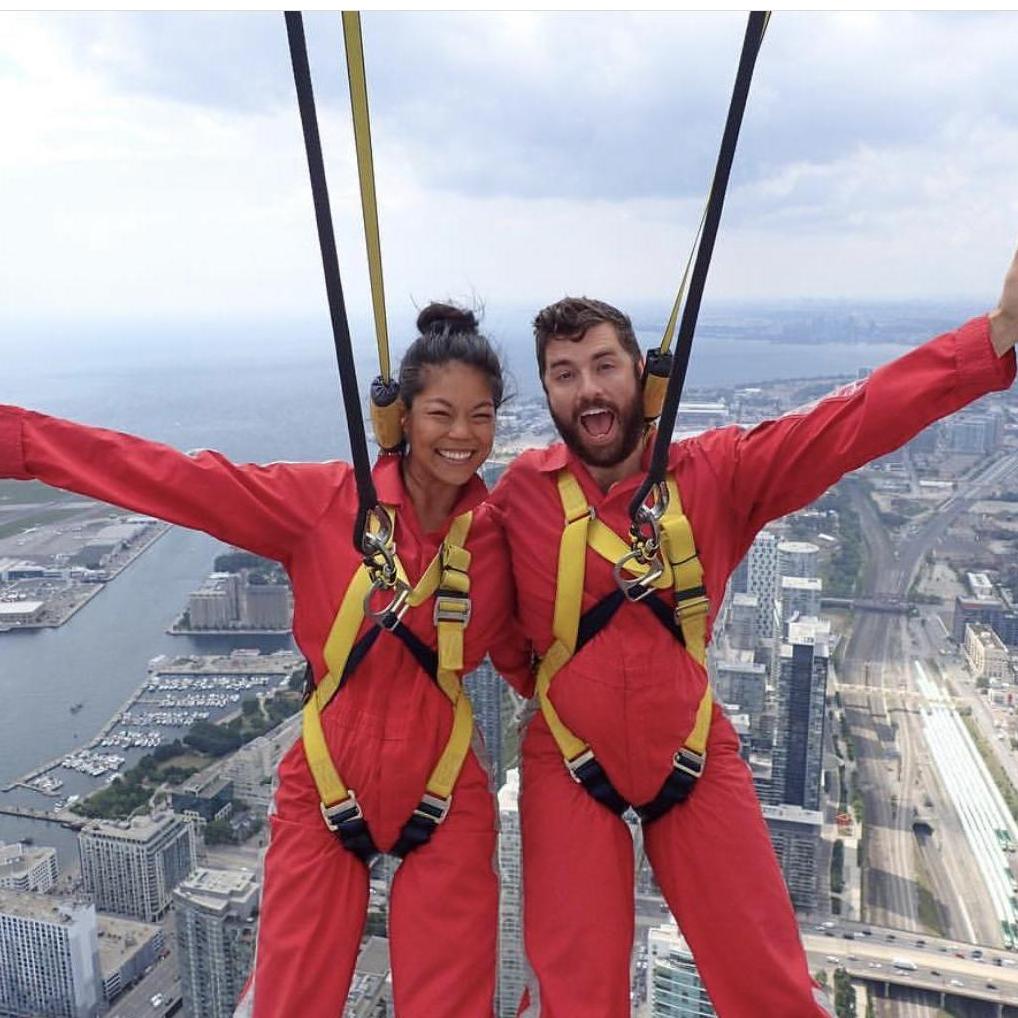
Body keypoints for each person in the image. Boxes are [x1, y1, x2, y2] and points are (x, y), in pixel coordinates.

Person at [491, 249, 1018, 1017]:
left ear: (643, 374)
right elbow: (478, 602)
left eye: (604, 365)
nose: (589, 389)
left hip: (691, 752)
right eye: (564, 374)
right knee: (574, 997)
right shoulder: (521, 499)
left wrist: (994, 336)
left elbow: (851, 422)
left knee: (770, 990)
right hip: (569, 763)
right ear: (548, 393)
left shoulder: (715, 474)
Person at [0, 304, 530, 1018]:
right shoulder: (325, 504)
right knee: (289, 1003)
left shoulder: (502, 538)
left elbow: (536, 660)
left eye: (481, 415)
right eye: (442, 412)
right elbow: (170, 478)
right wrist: (17, 439)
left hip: (446, 790)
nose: (463, 435)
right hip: (324, 783)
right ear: (400, 417)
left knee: (453, 1005)